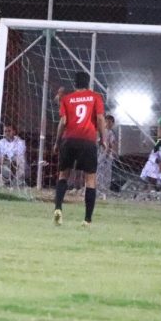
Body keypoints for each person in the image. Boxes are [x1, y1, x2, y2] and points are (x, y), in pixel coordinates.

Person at [52, 71, 108, 227]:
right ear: (88, 83)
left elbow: (63, 121)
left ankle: (58, 208)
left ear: (74, 83)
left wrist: (57, 142)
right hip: (88, 140)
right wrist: (103, 139)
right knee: (90, 179)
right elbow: (100, 118)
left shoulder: (67, 99)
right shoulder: (95, 97)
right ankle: (87, 220)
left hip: (69, 140)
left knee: (63, 175)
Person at [97, 114, 117, 198]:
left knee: (107, 172)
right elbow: (99, 142)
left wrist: (109, 153)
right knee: (99, 171)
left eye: (110, 122)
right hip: (101, 154)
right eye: (106, 122)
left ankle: (105, 190)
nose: (108, 124)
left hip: (107, 156)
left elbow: (112, 144)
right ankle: (98, 189)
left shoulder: (111, 133)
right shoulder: (102, 131)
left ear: (113, 123)